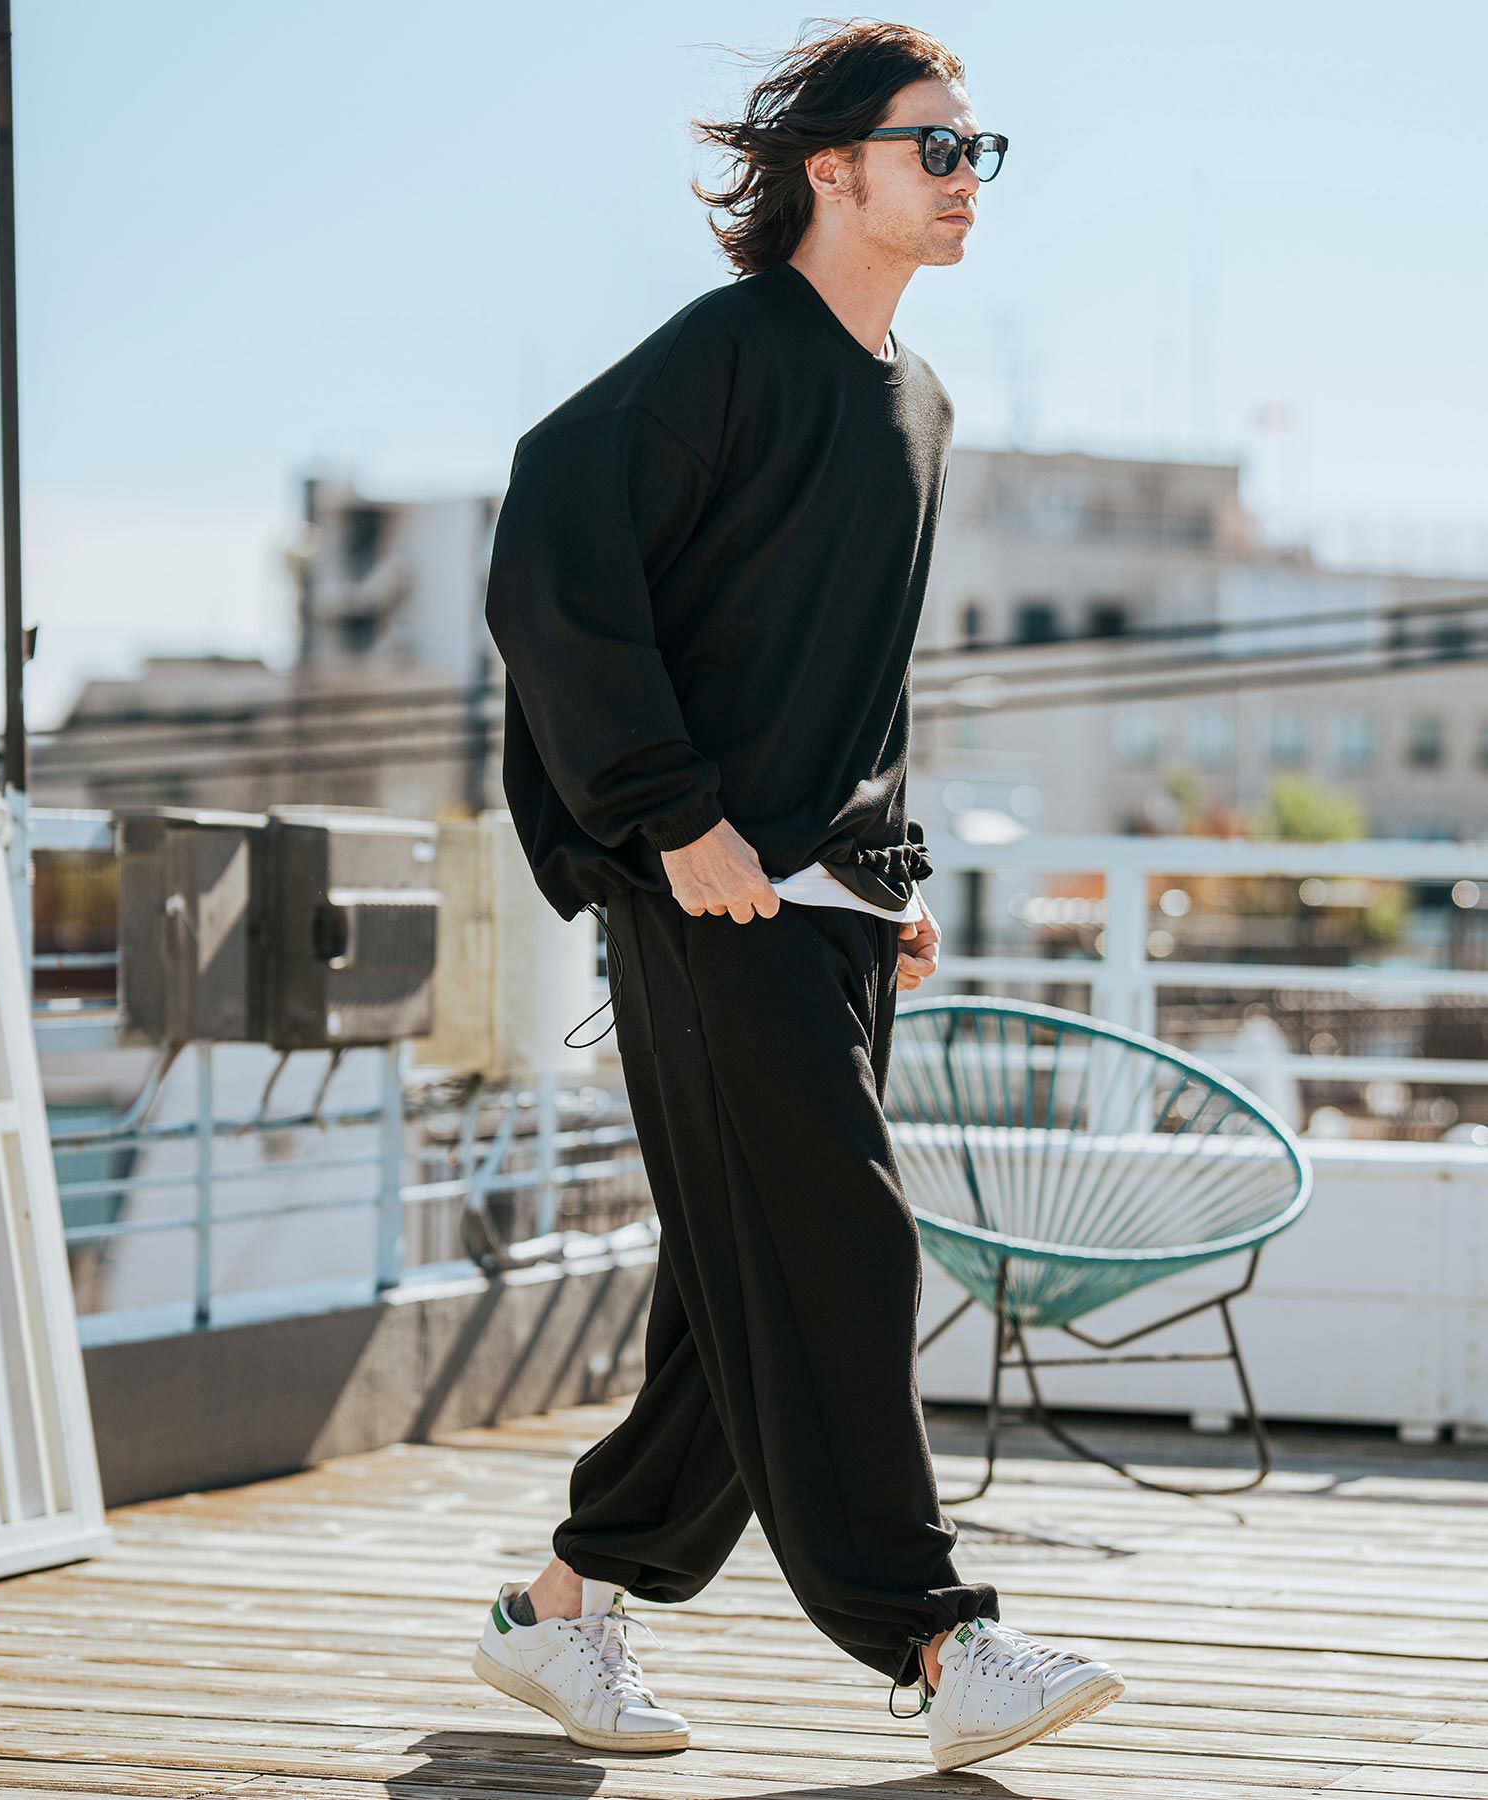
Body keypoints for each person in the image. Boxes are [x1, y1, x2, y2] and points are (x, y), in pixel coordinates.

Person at [474, 18, 1124, 1774]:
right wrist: (664, 816)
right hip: (705, 900)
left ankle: (556, 1611)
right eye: (938, 147)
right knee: (841, 1237)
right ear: (832, 169)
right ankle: (936, 1637)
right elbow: (550, 547)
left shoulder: (921, 400)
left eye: (983, 150)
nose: (968, 178)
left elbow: (861, 676)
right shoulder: (730, 351)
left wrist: (882, 867)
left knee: (734, 1300)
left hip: (825, 903)